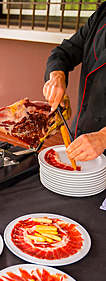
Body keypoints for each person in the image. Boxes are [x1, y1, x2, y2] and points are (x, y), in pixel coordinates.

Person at [43, 1, 106, 162]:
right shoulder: (102, 13)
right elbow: (63, 52)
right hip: (80, 136)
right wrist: (57, 76)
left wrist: (103, 137)